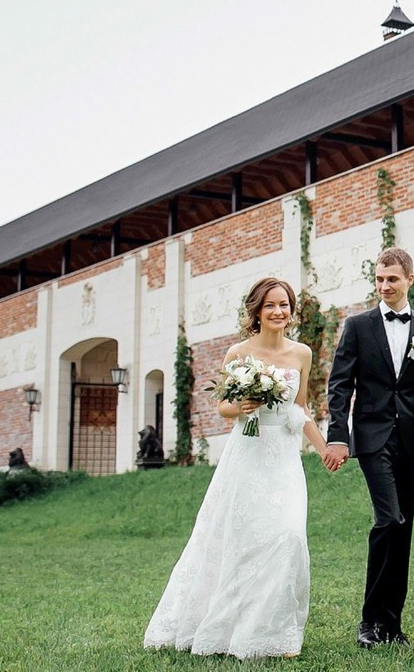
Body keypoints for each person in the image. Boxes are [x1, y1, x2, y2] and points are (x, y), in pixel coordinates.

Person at [145, 277, 330, 660]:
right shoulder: (238, 352)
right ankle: (234, 628)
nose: (279, 312)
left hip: (283, 459)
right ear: (257, 312)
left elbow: (301, 408)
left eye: (285, 305)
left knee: (289, 536)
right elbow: (223, 407)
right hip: (247, 454)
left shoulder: (302, 353)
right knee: (242, 541)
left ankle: (275, 631)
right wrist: (242, 405)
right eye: (271, 306)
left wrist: (324, 448)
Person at [321, 247, 414, 648]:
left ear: (410, 280)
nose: (384, 286)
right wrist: (338, 435)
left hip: (411, 441)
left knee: (404, 529)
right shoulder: (358, 326)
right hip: (372, 438)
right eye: (379, 279)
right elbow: (339, 385)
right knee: (389, 520)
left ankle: (392, 626)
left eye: (392, 279)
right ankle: (368, 622)